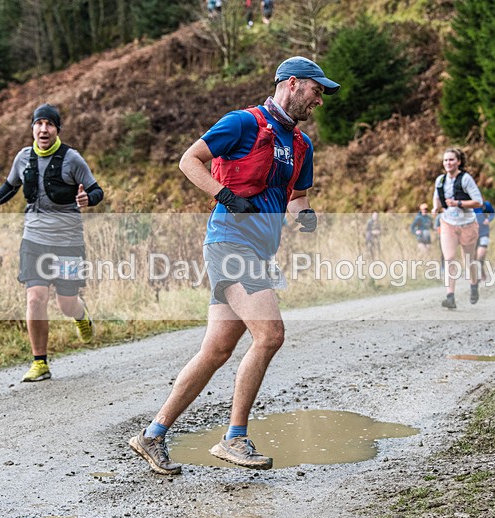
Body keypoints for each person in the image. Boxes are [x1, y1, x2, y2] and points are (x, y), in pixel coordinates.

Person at [129, 56, 339, 475]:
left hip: (259, 251)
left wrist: (305, 214)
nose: (320, 100)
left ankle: (152, 434)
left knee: (217, 349)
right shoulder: (244, 123)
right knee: (271, 333)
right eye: (317, 90)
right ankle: (235, 438)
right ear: (293, 84)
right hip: (229, 242)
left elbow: (297, 197)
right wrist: (226, 196)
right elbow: (190, 160)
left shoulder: (302, 145)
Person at [0, 104, 103, 382]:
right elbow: (10, 185)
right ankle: (40, 363)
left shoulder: (72, 159)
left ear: (57, 129)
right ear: (33, 128)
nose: (44, 129)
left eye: (49, 124)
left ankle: (81, 315)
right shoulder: (23, 157)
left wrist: (87, 199)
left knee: (66, 304)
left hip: (68, 242)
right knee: (35, 297)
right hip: (33, 238)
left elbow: (97, 190)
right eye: (39, 124)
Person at [431, 148, 483, 309]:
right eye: (445, 160)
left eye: (451, 160)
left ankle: (474, 285)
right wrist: (435, 208)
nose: (448, 163)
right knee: (449, 258)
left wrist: (458, 203)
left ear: (458, 161)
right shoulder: (440, 180)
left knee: (469, 261)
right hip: (448, 223)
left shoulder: (466, 179)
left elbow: (478, 201)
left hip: (467, 224)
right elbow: (437, 199)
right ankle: (450, 296)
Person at [473, 199, 495, 279]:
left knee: (481, 254)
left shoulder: (485, 205)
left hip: (484, 232)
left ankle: (479, 271)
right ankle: (479, 272)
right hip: (472, 234)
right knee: (474, 256)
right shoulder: (468, 206)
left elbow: (492, 213)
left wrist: (488, 219)